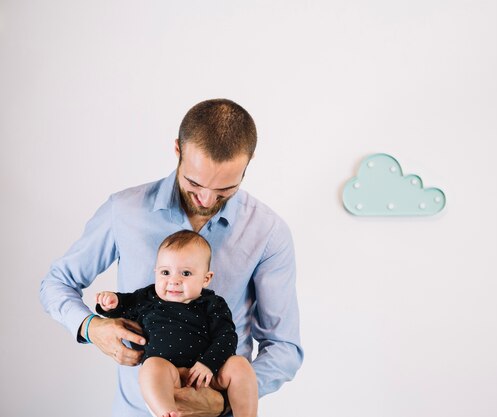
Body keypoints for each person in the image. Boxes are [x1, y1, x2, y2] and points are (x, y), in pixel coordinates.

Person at [40, 99, 303, 417]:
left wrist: (224, 400)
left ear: (248, 163)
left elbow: (284, 347)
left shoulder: (268, 232)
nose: (207, 199)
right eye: (194, 183)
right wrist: (91, 327)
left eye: (225, 189)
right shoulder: (124, 211)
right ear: (178, 150)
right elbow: (58, 282)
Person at [96, 230, 258, 417]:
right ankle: (167, 412)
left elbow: (227, 337)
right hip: (168, 375)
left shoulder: (212, 304)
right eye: (165, 272)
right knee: (151, 367)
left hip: (206, 375)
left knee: (239, 365)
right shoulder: (148, 297)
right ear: (155, 272)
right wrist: (112, 303)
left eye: (186, 273)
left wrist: (208, 364)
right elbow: (126, 304)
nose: (173, 281)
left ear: (206, 279)